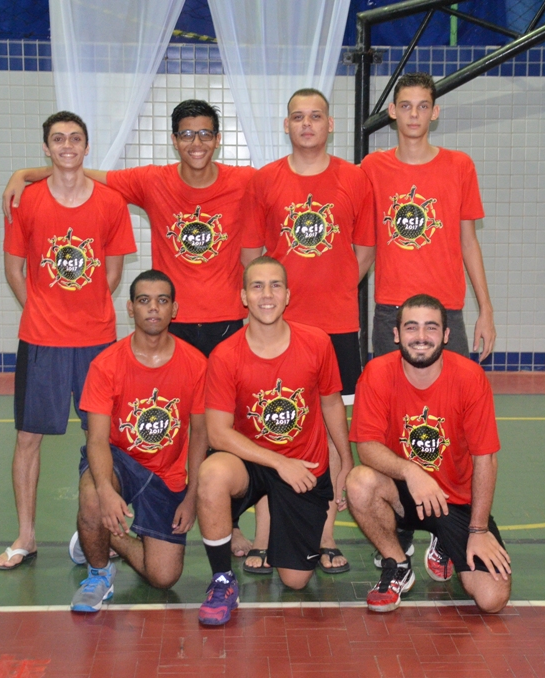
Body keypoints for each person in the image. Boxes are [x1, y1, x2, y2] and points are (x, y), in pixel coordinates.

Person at [3, 100, 260, 557]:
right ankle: (77, 525)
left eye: (205, 133)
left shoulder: (243, 181)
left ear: (218, 139)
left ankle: (230, 524)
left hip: (221, 324)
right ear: (174, 140)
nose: (196, 142)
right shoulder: (151, 180)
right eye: (187, 134)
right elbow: (83, 172)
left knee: (220, 429)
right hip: (164, 327)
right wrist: (24, 174)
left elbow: (286, 189)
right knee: (126, 430)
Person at [239, 88, 375, 575]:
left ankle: (325, 533)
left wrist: (333, 289)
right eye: (298, 117)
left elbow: (365, 251)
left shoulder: (355, 179)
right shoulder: (265, 180)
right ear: (286, 125)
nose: (307, 124)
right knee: (271, 425)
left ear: (330, 124)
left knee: (334, 434)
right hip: (279, 330)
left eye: (316, 116)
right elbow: (251, 255)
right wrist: (268, 308)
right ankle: (264, 535)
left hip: (337, 328)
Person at [0, 111, 137, 570]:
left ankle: (104, 531)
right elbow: (14, 269)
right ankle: (25, 535)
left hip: (96, 341)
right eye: (58, 139)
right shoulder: (27, 200)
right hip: (41, 342)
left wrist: (85, 310)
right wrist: (40, 310)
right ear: (46, 147)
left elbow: (112, 273)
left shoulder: (111, 202)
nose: (67, 146)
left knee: (105, 437)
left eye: (75, 138)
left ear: (86, 146)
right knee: (28, 438)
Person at [195, 257, 353, 626]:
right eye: (257, 286)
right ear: (244, 297)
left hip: (304, 468)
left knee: (295, 581)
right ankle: (222, 581)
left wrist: (346, 461)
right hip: (253, 463)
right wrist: (279, 462)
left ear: (287, 295)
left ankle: (287, 531)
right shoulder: (225, 355)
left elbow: (331, 403)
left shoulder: (316, 342)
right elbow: (217, 432)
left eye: (275, 285)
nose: (267, 294)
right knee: (212, 474)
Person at [346, 294, 511, 614]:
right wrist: (411, 472)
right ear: (396, 335)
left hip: (456, 502)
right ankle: (397, 564)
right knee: (359, 482)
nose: (421, 336)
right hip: (405, 493)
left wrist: (478, 530)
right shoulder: (377, 373)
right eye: (411, 327)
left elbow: (485, 459)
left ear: (446, 335)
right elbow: (366, 447)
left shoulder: (469, 377)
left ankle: (444, 543)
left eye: (431, 327)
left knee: (492, 599)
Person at [70, 270, 207, 612]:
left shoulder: (196, 364)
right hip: (119, 459)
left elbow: (200, 435)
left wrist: (192, 497)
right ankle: (99, 573)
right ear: (130, 308)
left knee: (163, 576)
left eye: (162, 300)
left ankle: (99, 536)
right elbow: (97, 440)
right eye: (144, 300)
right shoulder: (106, 365)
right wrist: (105, 490)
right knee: (92, 496)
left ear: (174, 309)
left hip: (167, 475)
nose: (153, 308)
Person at [360, 72, 496, 362]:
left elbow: (469, 242)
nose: (414, 114)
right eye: (406, 106)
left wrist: (486, 310)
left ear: (434, 113)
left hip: (445, 308)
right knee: (390, 391)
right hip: (392, 309)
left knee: (452, 391)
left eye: (422, 106)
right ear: (392, 111)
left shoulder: (460, 166)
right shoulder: (373, 167)